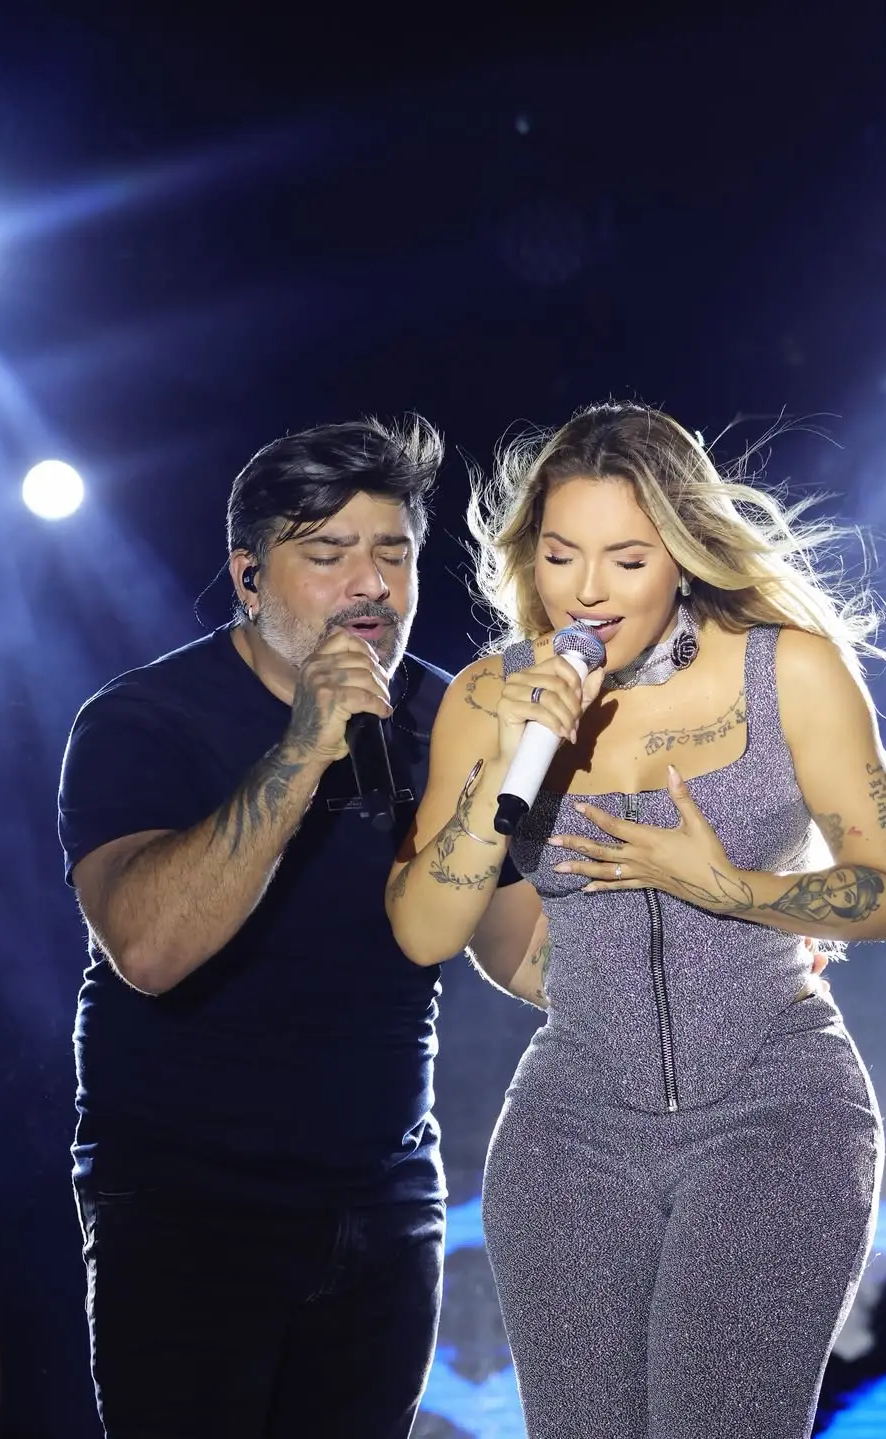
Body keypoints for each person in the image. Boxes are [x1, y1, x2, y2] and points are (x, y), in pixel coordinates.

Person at [385, 401, 886, 1439]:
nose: (587, 589)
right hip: (570, 1123)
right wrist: (494, 774)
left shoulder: (788, 669)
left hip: (777, 1104)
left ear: (680, 555)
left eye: (627, 558)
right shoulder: (486, 698)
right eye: (560, 555)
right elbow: (426, 932)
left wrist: (732, 889)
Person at [56, 417, 538, 1439]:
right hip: (185, 1207)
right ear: (248, 572)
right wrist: (304, 748)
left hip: (385, 1196)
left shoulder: (450, 718)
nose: (370, 585)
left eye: (394, 553)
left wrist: (717, 929)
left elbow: (519, 949)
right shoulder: (142, 719)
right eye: (328, 554)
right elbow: (146, 946)